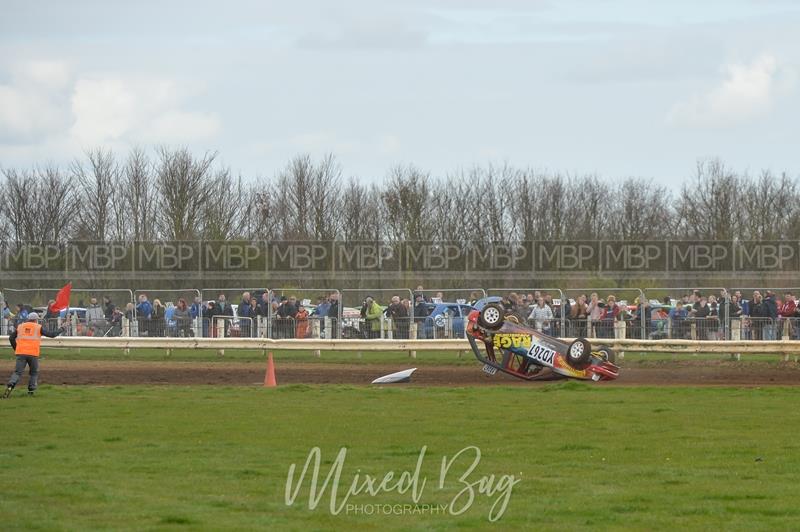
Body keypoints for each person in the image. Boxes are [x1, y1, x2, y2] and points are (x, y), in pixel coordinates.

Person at [3, 312, 65, 398]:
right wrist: (61, 329)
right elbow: (52, 335)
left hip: (21, 353)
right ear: (36, 320)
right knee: (33, 373)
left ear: (28, 319)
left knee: (17, 372)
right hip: (33, 354)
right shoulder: (38, 327)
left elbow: (11, 338)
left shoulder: (20, 326)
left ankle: (10, 386)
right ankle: (31, 391)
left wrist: (16, 348)